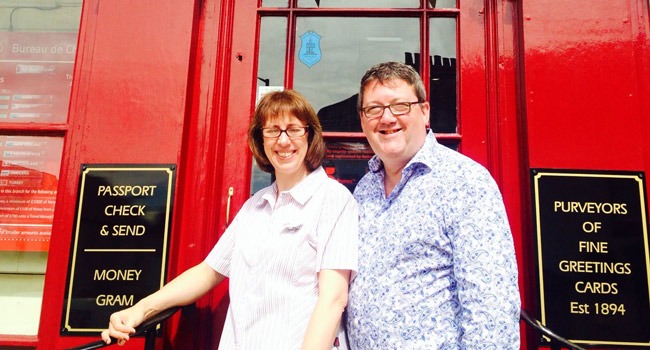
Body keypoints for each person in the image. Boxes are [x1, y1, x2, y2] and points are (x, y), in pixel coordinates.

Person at [101, 90, 359, 350]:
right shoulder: (255, 205)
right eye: (272, 130)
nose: (283, 141)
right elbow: (208, 272)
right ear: (260, 140)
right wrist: (140, 310)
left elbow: (333, 298)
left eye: (293, 129)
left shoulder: (333, 200)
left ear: (310, 135)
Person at [346, 61, 521, 349]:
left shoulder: (465, 182)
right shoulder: (364, 190)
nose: (387, 118)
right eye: (374, 109)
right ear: (363, 120)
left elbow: (492, 306)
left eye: (400, 105)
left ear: (424, 112)